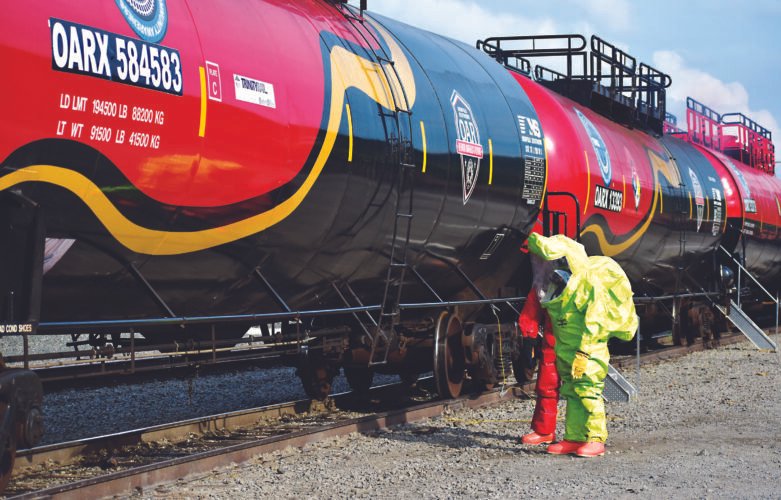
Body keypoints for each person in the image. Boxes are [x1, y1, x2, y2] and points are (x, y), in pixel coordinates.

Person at [526, 233, 637, 457]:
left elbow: (595, 323)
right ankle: (574, 438)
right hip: (567, 351)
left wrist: (584, 353)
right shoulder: (559, 288)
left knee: (588, 392)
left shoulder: (588, 285)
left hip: (587, 351)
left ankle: (596, 439)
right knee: (572, 393)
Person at [517, 255, 559, 445]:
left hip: (577, 344)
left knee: (583, 390)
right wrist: (529, 338)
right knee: (546, 385)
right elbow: (531, 311)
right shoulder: (544, 284)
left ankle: (587, 436)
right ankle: (544, 431)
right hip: (555, 342)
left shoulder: (582, 282)